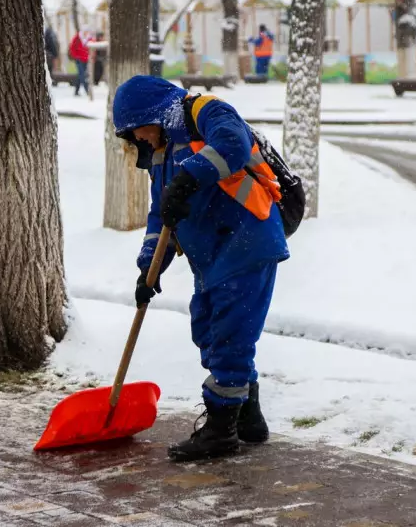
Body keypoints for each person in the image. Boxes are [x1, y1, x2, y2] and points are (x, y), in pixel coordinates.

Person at [113, 75, 289, 462]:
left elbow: (233, 144)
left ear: (153, 114)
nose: (137, 139)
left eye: (136, 129)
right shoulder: (161, 155)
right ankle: (247, 416)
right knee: (210, 329)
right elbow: (163, 217)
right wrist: (149, 271)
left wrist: (190, 177)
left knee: (229, 335)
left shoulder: (205, 110)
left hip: (246, 242)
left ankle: (220, 431)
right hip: (211, 256)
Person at [68, 28, 93, 96]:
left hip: (86, 59)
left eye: (87, 31)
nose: (85, 33)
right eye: (85, 31)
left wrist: (91, 57)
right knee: (82, 74)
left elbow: (92, 48)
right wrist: (76, 56)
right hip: (78, 59)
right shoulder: (77, 37)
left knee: (80, 75)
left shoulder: (89, 38)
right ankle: (87, 90)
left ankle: (76, 91)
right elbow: (72, 47)